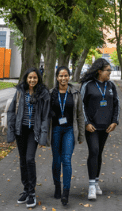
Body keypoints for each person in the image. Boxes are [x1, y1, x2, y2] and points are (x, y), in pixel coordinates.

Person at [6, 67, 50, 209]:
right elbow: (11, 112)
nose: (32, 80)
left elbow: (45, 117)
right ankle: (25, 189)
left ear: (39, 79)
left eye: (35, 78)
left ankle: (31, 193)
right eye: (30, 78)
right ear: (26, 78)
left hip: (34, 131)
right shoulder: (20, 92)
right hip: (21, 130)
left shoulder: (43, 94)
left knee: (30, 159)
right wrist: (11, 132)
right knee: (23, 160)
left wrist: (43, 136)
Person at [79, 58, 120, 201]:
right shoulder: (88, 85)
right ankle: (91, 186)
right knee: (94, 151)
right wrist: (86, 122)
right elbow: (81, 105)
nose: (110, 72)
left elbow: (116, 104)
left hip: (105, 126)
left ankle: (95, 182)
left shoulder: (111, 85)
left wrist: (115, 121)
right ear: (99, 71)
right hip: (91, 126)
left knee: (99, 153)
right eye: (108, 70)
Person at [49, 66, 85, 206]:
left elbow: (80, 115)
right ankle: (57, 186)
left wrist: (81, 135)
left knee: (67, 160)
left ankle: (66, 191)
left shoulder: (75, 93)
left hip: (70, 129)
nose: (63, 78)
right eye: (60, 76)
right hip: (56, 130)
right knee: (56, 160)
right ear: (57, 78)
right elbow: (46, 115)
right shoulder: (51, 93)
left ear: (69, 77)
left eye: (66, 75)